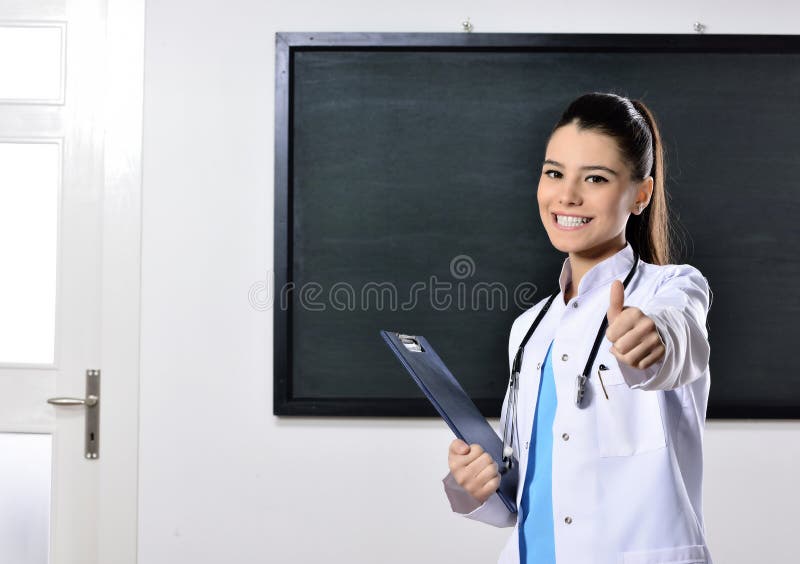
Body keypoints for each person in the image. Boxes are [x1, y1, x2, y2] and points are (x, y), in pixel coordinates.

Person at [442, 92, 714, 564]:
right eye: (554, 173)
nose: (567, 195)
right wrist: (474, 485)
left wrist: (655, 337)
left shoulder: (668, 290)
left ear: (641, 194)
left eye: (595, 178)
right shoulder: (529, 329)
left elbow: (680, 332)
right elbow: (527, 489)